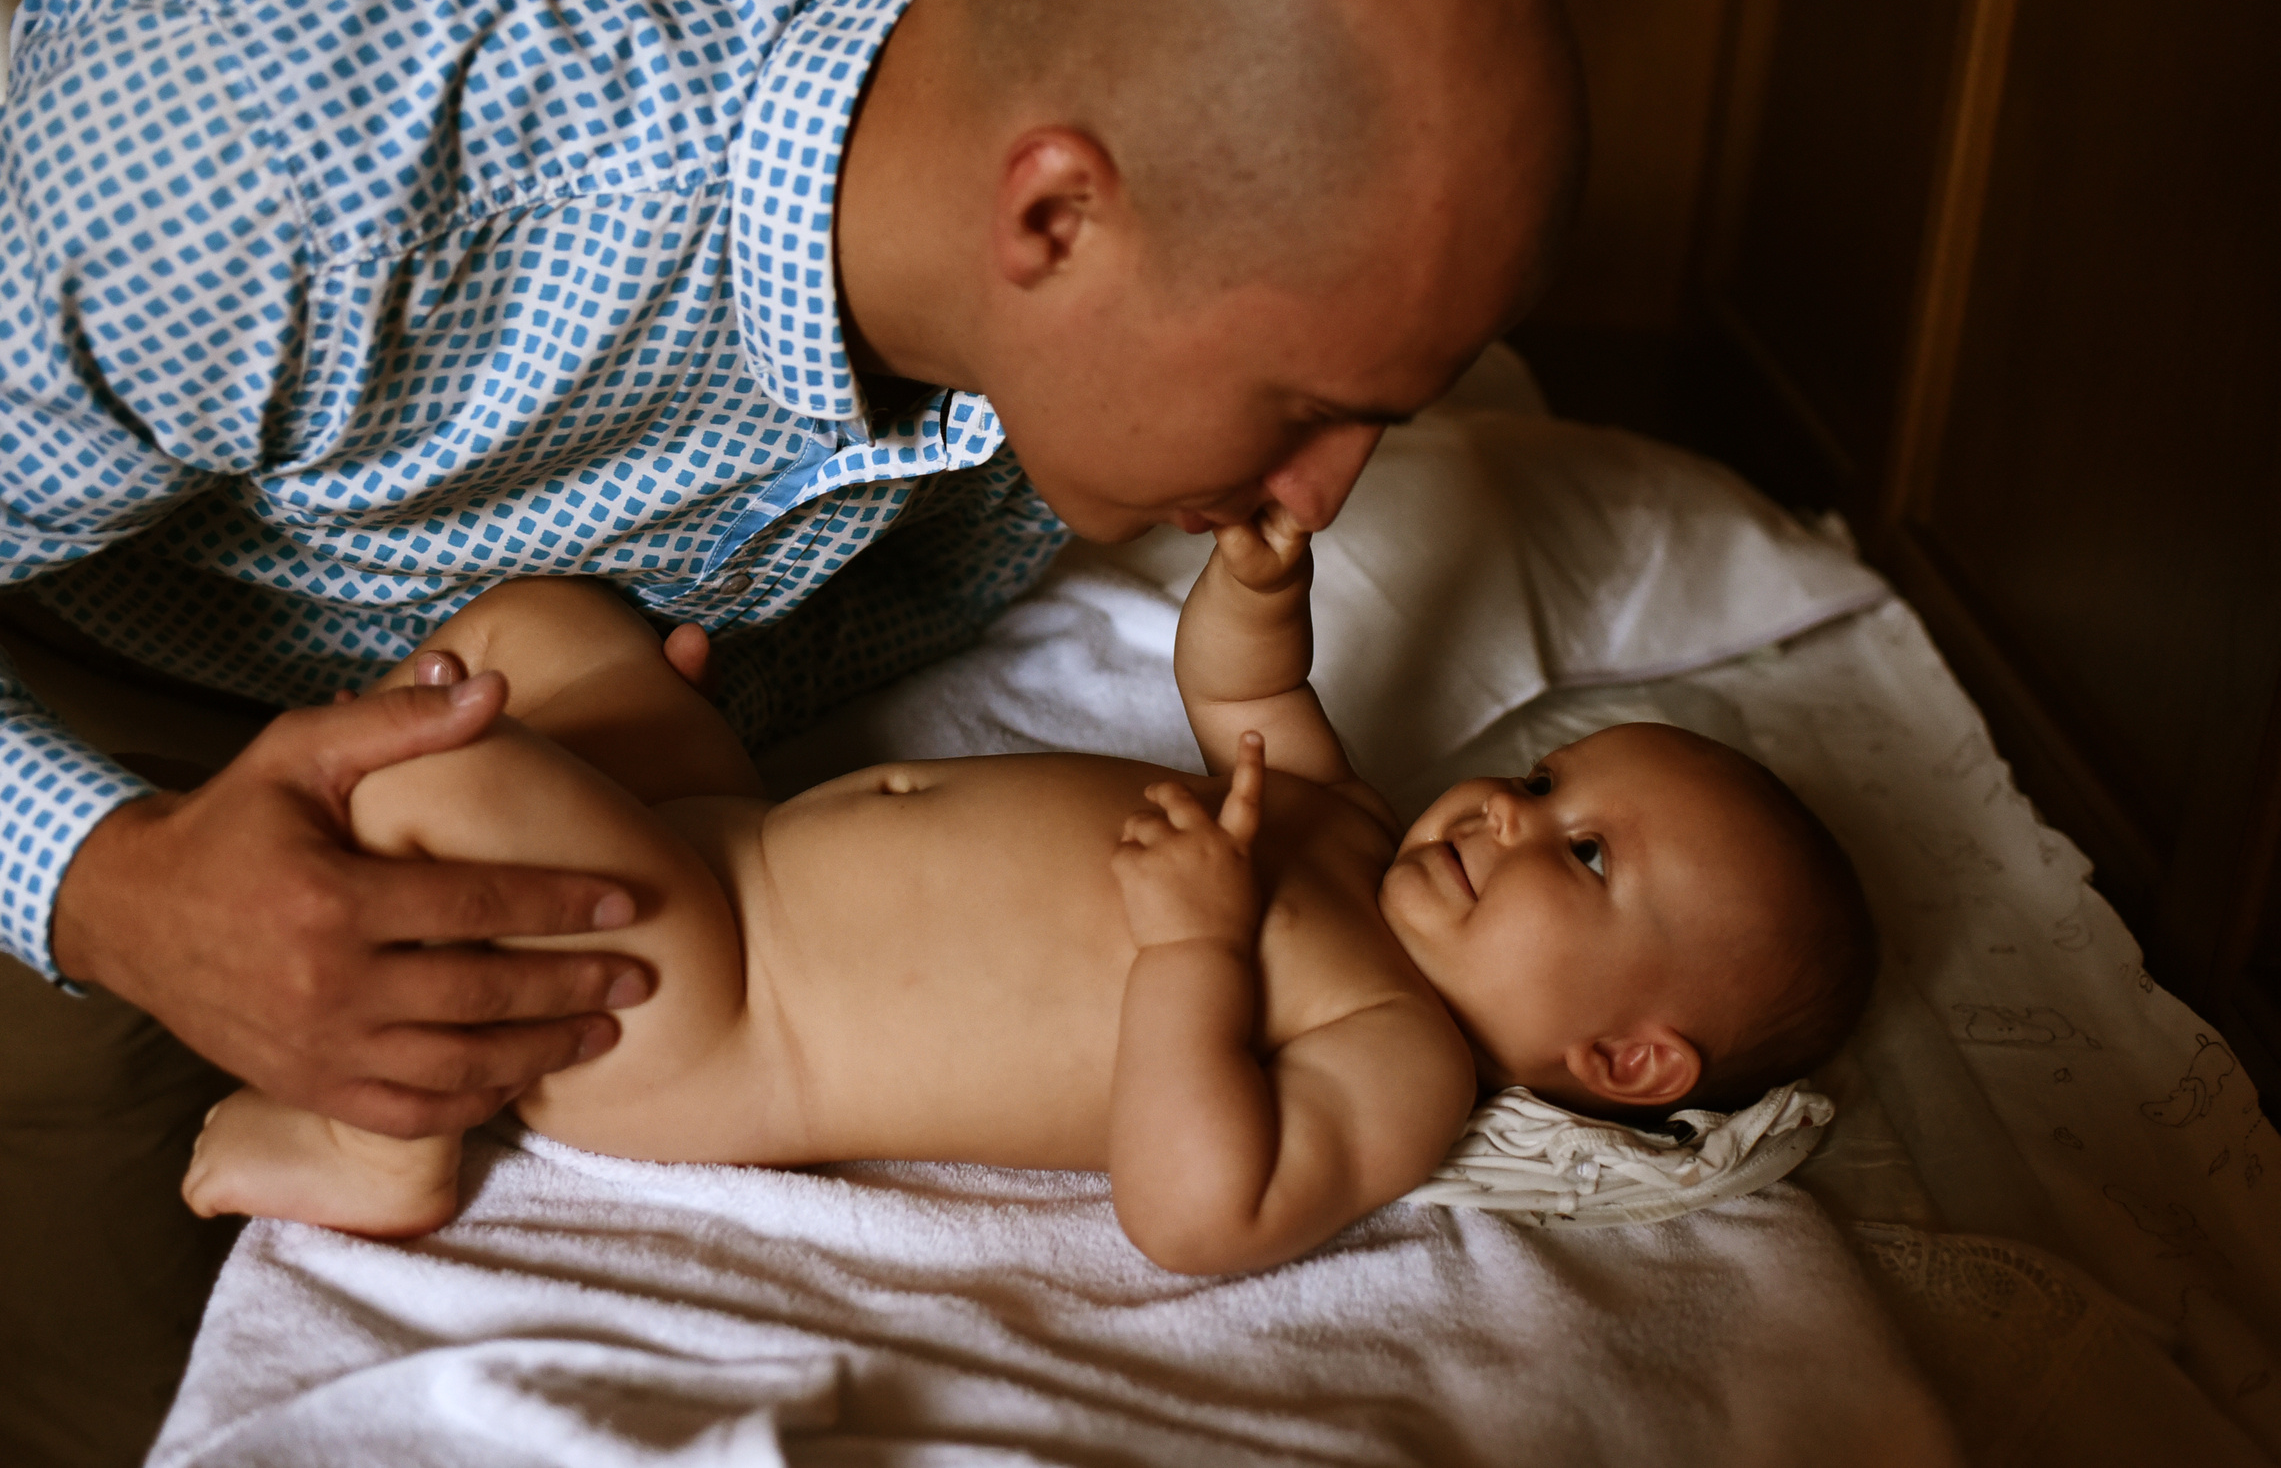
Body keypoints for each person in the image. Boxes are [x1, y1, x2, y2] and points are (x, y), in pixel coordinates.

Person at [0, 0, 1581, 1457]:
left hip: (580, 763)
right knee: (107, 1369)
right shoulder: (254, 119)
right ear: (1054, 217)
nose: (1322, 493)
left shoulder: (1045, 309)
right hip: (84, 712)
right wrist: (107, 889)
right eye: (1308, 404)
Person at [183, 512, 1878, 1275]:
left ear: (1630, 1060)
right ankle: (387, 894)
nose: (1511, 812)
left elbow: (1194, 1212)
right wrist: (1255, 589)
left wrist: (1196, 953)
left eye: (1582, 855)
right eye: (1545, 782)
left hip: (712, 1006)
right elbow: (1246, 706)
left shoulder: (1398, 1052)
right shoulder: (1352, 829)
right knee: (547, 630)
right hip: (728, 834)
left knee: (427, 773)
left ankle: (384, 1135)